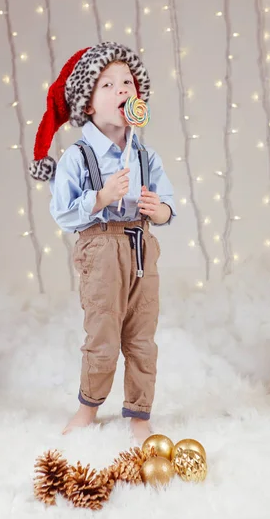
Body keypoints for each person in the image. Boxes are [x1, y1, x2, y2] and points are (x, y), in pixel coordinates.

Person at [30, 42, 176, 442]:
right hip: (101, 250)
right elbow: (62, 212)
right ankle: (87, 407)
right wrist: (102, 197)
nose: (121, 90)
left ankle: (140, 414)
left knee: (142, 337)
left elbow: (169, 204)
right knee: (102, 335)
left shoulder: (145, 155)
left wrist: (157, 209)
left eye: (127, 82)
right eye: (107, 85)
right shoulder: (79, 157)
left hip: (142, 248)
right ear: (87, 104)